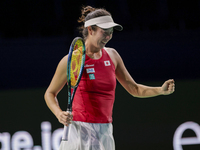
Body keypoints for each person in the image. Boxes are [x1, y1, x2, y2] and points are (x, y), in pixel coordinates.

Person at [44, 6, 175, 150]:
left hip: (105, 131)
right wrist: (59, 114)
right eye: (104, 32)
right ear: (90, 30)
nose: (108, 37)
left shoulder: (113, 56)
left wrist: (160, 90)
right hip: (80, 131)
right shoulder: (72, 60)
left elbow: (134, 88)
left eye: (111, 33)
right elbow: (50, 93)